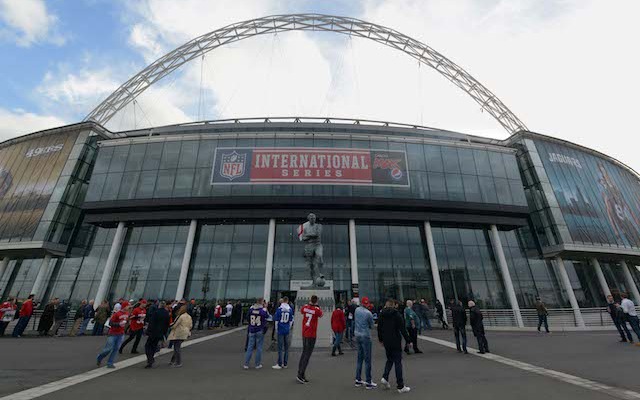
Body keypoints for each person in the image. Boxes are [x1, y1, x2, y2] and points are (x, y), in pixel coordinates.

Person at [378, 300, 412, 394]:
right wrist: (408, 340)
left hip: (386, 341)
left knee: (389, 359)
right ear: (394, 306)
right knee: (398, 362)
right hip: (395, 340)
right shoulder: (396, 315)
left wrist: (381, 339)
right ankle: (400, 385)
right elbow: (402, 328)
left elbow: (379, 328)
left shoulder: (381, 315)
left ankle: (385, 377)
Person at [297, 295, 323, 384]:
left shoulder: (305, 307)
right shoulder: (317, 309)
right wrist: (316, 306)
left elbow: (302, 311)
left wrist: (310, 304)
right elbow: (321, 314)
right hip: (311, 334)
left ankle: (300, 372)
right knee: (307, 355)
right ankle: (300, 374)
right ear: (316, 301)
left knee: (304, 353)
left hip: (305, 333)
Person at [96, 303, 128, 369]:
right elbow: (110, 323)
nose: (129, 307)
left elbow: (126, 322)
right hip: (113, 333)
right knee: (108, 349)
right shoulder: (117, 314)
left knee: (116, 349)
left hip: (121, 333)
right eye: (127, 306)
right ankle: (100, 357)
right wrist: (119, 324)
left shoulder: (127, 314)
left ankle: (110, 363)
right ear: (124, 306)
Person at [354, 296, 377, 389]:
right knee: (367, 359)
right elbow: (371, 326)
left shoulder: (357, 310)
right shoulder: (368, 313)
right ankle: (368, 381)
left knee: (360, 358)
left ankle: (358, 379)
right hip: (365, 336)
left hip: (357, 334)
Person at [244, 298, 269, 369]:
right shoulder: (262, 311)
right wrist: (266, 308)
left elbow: (247, 317)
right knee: (259, 347)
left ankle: (246, 363)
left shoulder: (251, 310)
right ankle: (257, 364)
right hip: (259, 329)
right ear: (261, 303)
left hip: (252, 329)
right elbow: (267, 316)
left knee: (250, 347)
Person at [144, 301, 170, 368]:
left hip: (153, 332)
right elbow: (167, 324)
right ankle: (151, 358)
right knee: (153, 346)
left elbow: (151, 323)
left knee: (147, 346)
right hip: (160, 332)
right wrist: (164, 333)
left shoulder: (156, 312)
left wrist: (148, 332)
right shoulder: (166, 313)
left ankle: (150, 359)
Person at [273, 296, 294, 369]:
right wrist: (289, 327)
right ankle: (285, 363)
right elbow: (291, 321)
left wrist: (276, 329)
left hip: (280, 329)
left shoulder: (279, 309)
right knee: (286, 348)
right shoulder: (290, 310)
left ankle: (279, 363)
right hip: (286, 330)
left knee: (280, 348)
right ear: (287, 301)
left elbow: (276, 321)